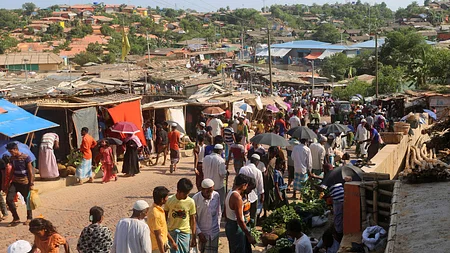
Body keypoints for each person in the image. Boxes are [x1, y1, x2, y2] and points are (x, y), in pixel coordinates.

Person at [224, 174, 257, 253]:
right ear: (244, 185)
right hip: (236, 227)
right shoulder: (237, 197)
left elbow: (224, 212)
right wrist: (248, 235)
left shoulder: (230, 192)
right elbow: (240, 220)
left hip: (230, 225)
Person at [165, 178, 197, 253]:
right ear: (178, 191)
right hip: (171, 233)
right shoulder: (169, 200)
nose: (186, 196)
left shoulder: (191, 202)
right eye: (185, 194)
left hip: (185, 233)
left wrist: (194, 237)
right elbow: (164, 218)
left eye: (187, 193)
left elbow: (193, 220)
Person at [6, 142, 34, 226]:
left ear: (15, 149)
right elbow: (12, 170)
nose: (11, 153)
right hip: (15, 182)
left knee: (27, 201)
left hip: (25, 182)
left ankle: (29, 217)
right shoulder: (12, 159)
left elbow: (30, 171)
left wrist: (31, 183)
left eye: (11, 151)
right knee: (9, 199)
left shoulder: (26, 158)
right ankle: (16, 218)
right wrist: (8, 181)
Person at [192, 179, 221, 253]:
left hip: (214, 232)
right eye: (207, 191)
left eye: (211, 191)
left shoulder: (216, 195)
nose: (209, 194)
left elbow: (219, 212)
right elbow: (193, 219)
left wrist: (218, 227)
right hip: (203, 233)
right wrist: (199, 233)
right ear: (202, 189)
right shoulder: (195, 199)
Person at [148, 186, 177, 253]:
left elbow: (163, 229)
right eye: (166, 197)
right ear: (162, 199)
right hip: (158, 248)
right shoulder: (155, 214)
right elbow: (158, 235)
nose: (167, 199)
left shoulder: (158, 210)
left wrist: (172, 241)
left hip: (163, 244)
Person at [239, 154, 264, 227]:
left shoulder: (243, 169)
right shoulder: (258, 172)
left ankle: (244, 227)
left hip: (243, 196)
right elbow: (261, 186)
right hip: (254, 197)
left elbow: (239, 181)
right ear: (257, 162)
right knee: (253, 215)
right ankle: (252, 229)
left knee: (244, 214)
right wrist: (262, 196)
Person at [202, 144, 228, 210]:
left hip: (206, 184)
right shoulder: (220, 160)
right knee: (220, 202)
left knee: (208, 201)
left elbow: (203, 169)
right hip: (217, 185)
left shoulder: (206, 158)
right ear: (220, 151)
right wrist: (226, 173)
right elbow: (222, 173)